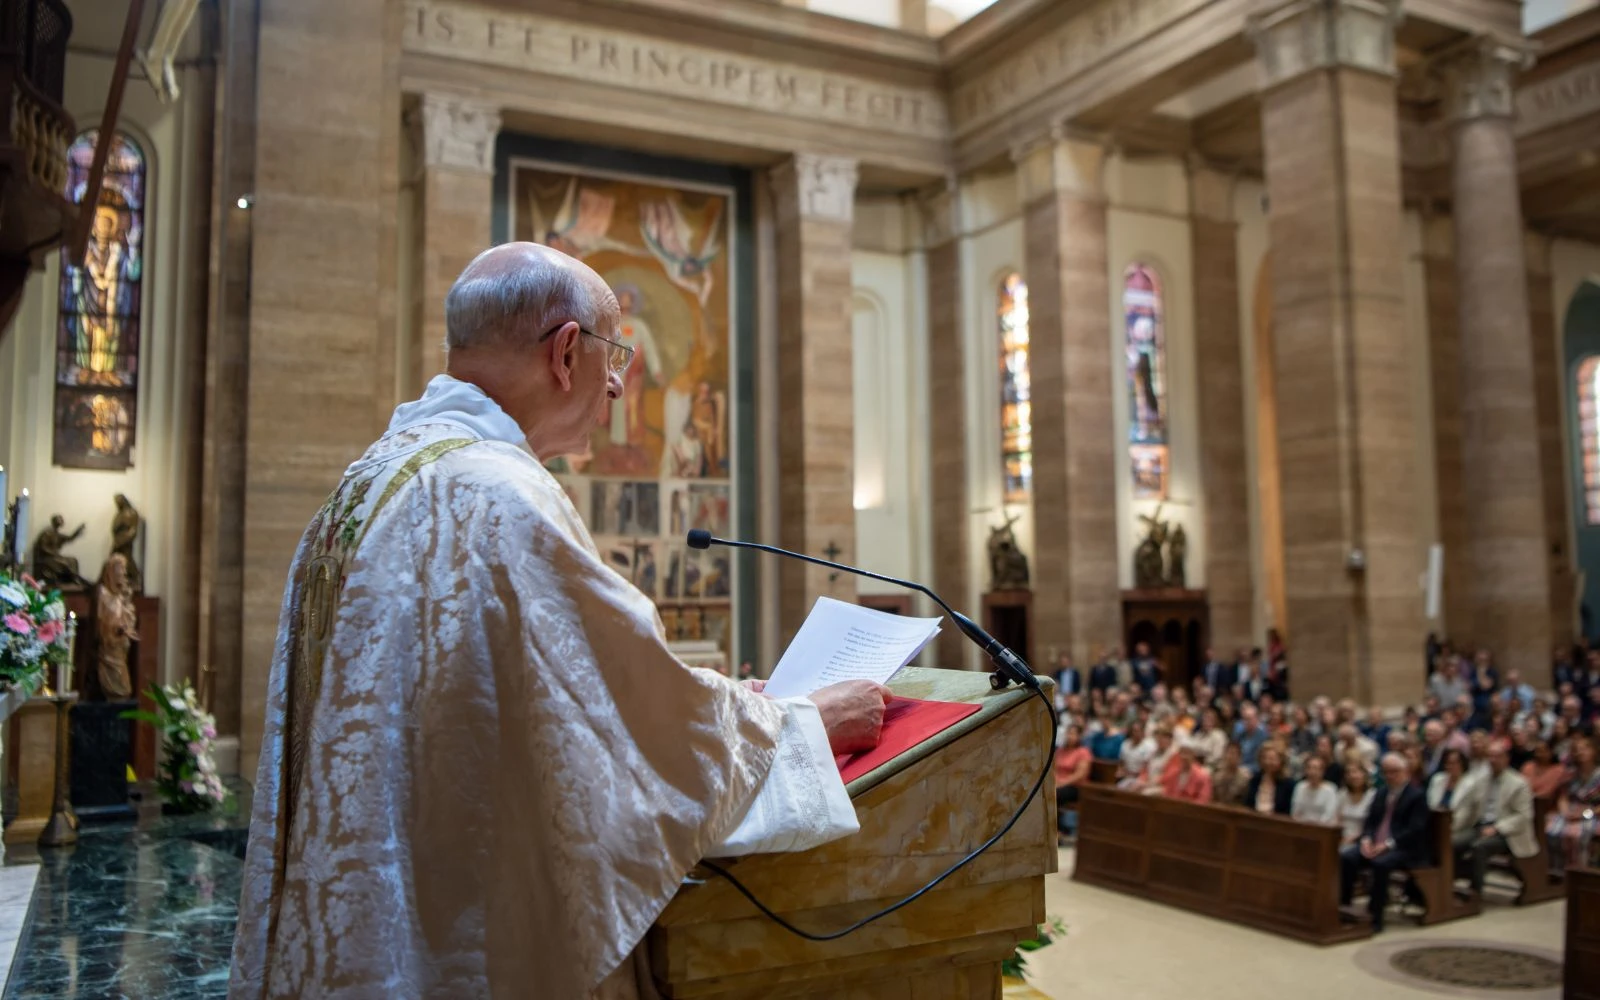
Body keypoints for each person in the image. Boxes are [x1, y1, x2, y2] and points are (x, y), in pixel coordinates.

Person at [228, 244, 893, 999]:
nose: (617, 387)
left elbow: (496, 709)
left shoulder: (370, 483)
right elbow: (641, 756)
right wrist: (800, 726)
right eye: (615, 358)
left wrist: (693, 692)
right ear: (567, 350)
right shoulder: (502, 498)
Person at [1340, 755, 1430, 932]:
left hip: (1404, 848)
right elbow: (1371, 822)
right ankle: (1344, 906)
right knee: (1347, 857)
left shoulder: (1417, 796)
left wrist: (1387, 844)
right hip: (1376, 843)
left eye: (1394, 772)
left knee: (1380, 863)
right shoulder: (1381, 792)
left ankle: (1375, 917)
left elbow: (1415, 830)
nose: (1390, 776)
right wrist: (1366, 839)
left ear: (1406, 772)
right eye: (1386, 772)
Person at [1458, 745, 1538, 898]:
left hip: (1508, 833)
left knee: (1479, 847)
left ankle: (1476, 891)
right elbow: (1468, 808)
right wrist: (1454, 827)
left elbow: (1524, 816)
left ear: (1506, 759)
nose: (1493, 760)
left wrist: (1498, 828)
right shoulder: (1481, 780)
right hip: (1480, 826)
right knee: (1453, 842)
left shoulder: (1519, 783)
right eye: (1490, 757)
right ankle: (1451, 883)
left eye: (1497, 757)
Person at [1546, 734, 1600, 874]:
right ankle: (1557, 871)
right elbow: (1563, 797)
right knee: (1551, 829)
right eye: (1577, 749)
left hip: (1592, 813)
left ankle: (1579, 872)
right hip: (1571, 812)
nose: (1580, 752)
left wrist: (1583, 814)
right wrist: (1565, 812)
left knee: (1575, 835)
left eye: (1585, 749)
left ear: (1594, 751)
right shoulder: (1571, 774)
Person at [1426, 748, 1486, 855]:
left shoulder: (1470, 784)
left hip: (1460, 828)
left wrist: (1444, 831)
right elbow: (1430, 805)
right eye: (1448, 763)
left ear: (1462, 764)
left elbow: (1464, 817)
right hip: (1435, 824)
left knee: (1445, 843)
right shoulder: (1437, 779)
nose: (1450, 766)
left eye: (1454, 763)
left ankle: (1447, 870)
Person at [1055, 724, 1092, 838]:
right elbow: (1053, 768)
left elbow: (1080, 774)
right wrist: (1054, 781)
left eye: (1073, 734)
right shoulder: (1061, 750)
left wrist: (1061, 782)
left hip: (1076, 787)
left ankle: (1059, 830)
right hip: (1058, 784)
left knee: (1054, 795)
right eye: (1068, 733)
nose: (1070, 736)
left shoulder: (1083, 752)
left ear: (1079, 736)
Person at [1245, 745, 1294, 816]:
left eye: (1272, 759)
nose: (1267, 762)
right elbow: (1248, 803)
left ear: (1281, 761)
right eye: (1264, 758)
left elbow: (1287, 811)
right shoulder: (1255, 779)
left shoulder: (1288, 784)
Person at [1291, 755, 1340, 826]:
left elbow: (1329, 815)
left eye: (1316, 768)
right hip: (1302, 827)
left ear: (1322, 771)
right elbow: (1295, 812)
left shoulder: (1330, 789)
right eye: (1309, 768)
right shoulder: (1300, 787)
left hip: (1322, 829)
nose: (1312, 772)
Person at [1338, 759, 1376, 846]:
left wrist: (1351, 839)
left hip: (1361, 840)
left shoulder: (1373, 795)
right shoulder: (1342, 794)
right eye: (1348, 773)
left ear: (1364, 774)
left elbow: (1370, 826)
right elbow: (1336, 819)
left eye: (1355, 772)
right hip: (1340, 837)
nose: (1352, 776)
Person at [1213, 742, 1252, 807]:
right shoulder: (1217, 775)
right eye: (1228, 753)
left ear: (1240, 757)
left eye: (1234, 754)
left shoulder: (1246, 777)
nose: (1230, 756)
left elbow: (1245, 801)